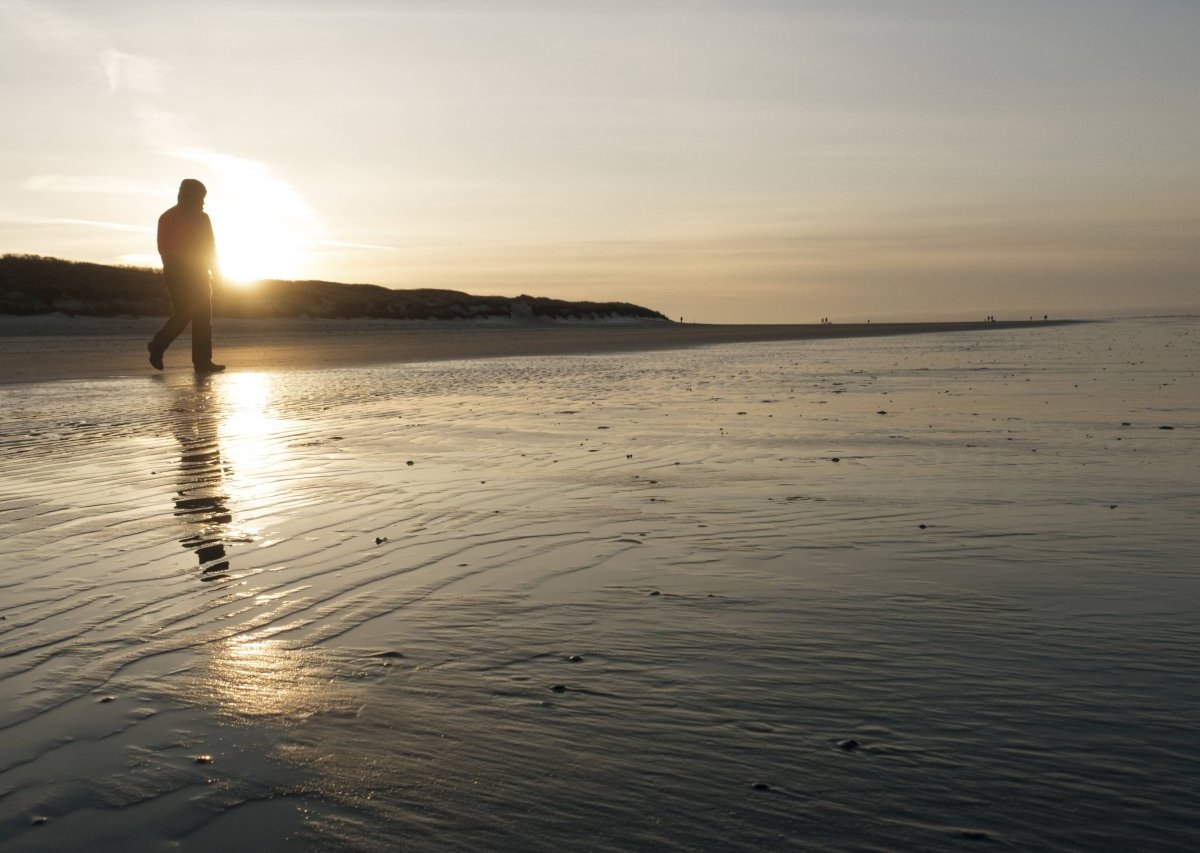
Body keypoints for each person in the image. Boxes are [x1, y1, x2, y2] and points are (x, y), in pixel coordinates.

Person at [148, 179, 225, 373]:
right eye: (200, 198)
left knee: (202, 318)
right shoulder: (168, 217)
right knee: (185, 313)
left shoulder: (202, 218)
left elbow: (210, 248)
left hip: (199, 275)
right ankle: (158, 345)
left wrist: (216, 272)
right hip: (178, 275)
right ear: (189, 195)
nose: (203, 203)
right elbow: (164, 249)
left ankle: (202, 361)